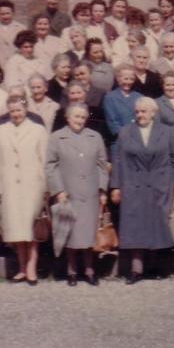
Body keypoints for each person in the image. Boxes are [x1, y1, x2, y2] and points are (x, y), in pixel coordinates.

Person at [111, 97, 174, 284]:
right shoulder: (125, 132)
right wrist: (116, 186)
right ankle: (136, 269)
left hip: (159, 184)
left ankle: (155, 267)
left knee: (157, 224)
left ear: (153, 112)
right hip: (134, 185)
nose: (140, 115)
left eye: (143, 111)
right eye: (137, 112)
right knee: (136, 226)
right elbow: (117, 161)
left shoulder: (166, 132)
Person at [46, 103, 109, 286]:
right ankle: (71, 270)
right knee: (71, 233)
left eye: (82, 117)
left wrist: (102, 189)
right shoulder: (57, 137)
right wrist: (58, 190)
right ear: (67, 117)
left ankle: (89, 270)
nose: (79, 120)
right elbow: (50, 166)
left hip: (89, 192)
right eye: (76, 117)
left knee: (88, 233)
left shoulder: (94, 136)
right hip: (68, 192)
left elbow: (102, 165)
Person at [0, 95, 49, 285]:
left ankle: (32, 268)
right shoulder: (0, 130)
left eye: (19, 110)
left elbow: (44, 161)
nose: (16, 114)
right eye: (13, 110)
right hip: (10, 187)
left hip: (32, 185)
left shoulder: (38, 130)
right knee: (16, 230)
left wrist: (46, 187)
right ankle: (21, 268)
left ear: (26, 110)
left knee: (31, 229)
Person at [103, 64, 144, 154]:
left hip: (138, 142)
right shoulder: (110, 97)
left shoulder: (139, 97)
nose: (128, 82)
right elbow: (112, 123)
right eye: (126, 79)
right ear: (118, 79)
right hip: (119, 143)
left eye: (131, 79)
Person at [0, 0, 26, 69]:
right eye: (2, 14)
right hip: (0, 67)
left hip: (18, 67)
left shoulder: (21, 29)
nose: (5, 16)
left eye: (8, 13)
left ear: (13, 13)